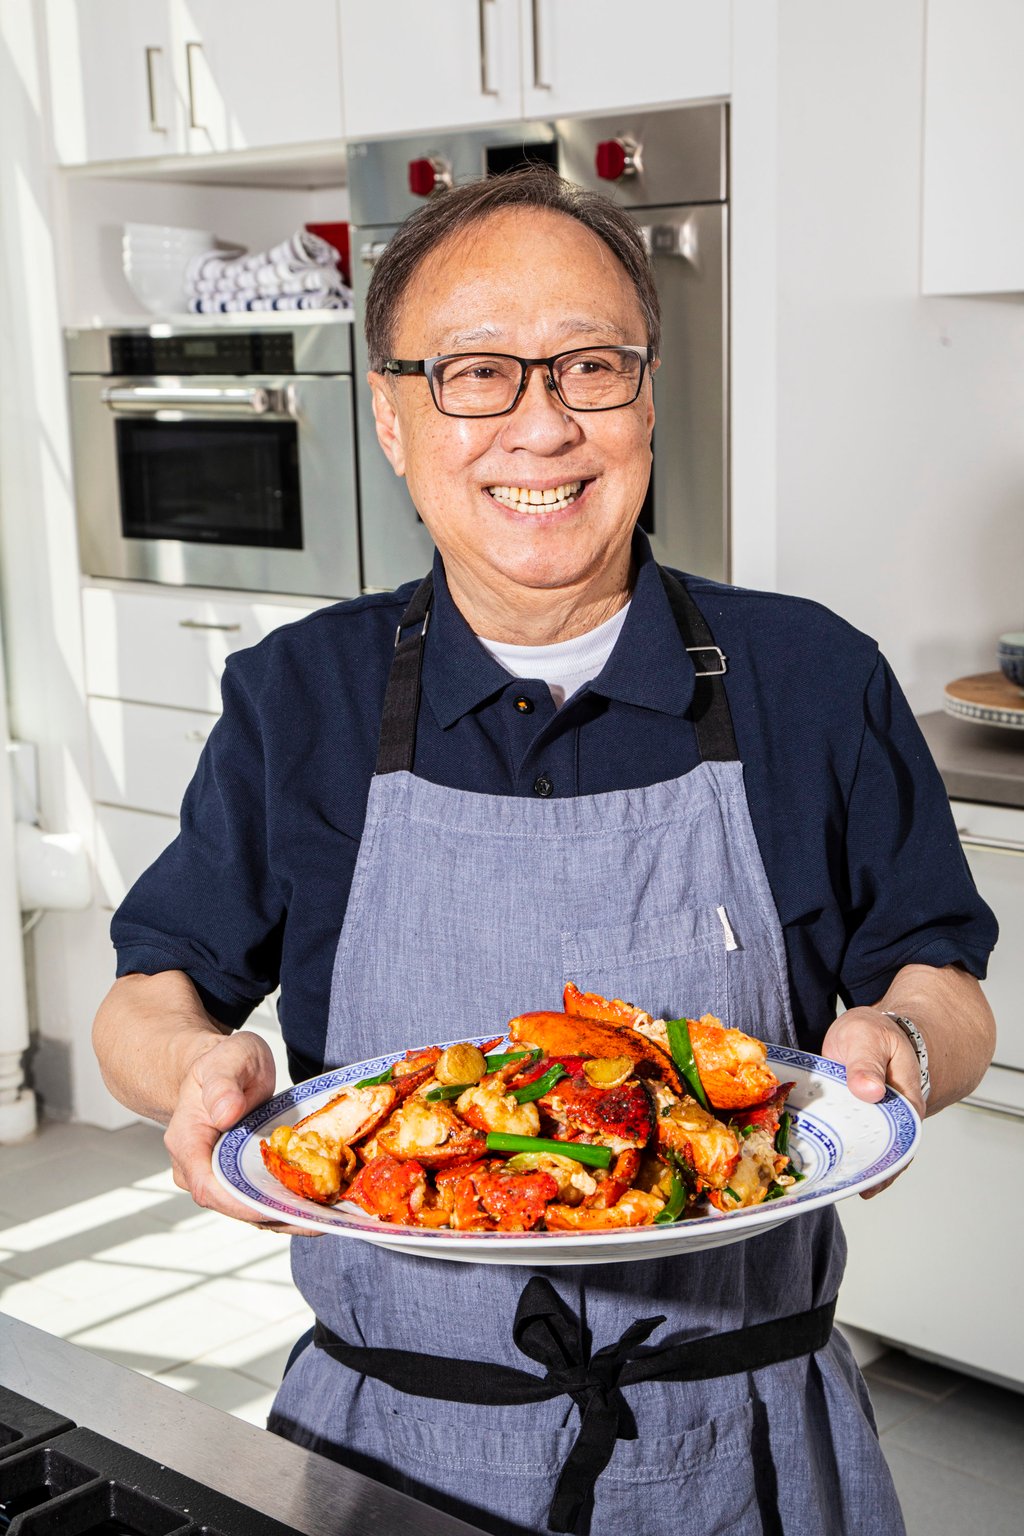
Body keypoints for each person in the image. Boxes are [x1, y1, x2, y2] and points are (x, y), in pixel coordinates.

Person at [94, 168, 996, 1536]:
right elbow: (145, 1003)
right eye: (474, 374)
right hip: (390, 1444)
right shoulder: (302, 699)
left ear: (646, 400)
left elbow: (943, 976)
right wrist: (193, 1074)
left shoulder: (810, 676)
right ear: (392, 418)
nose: (542, 423)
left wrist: (910, 1046)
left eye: (590, 365)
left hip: (744, 1444)